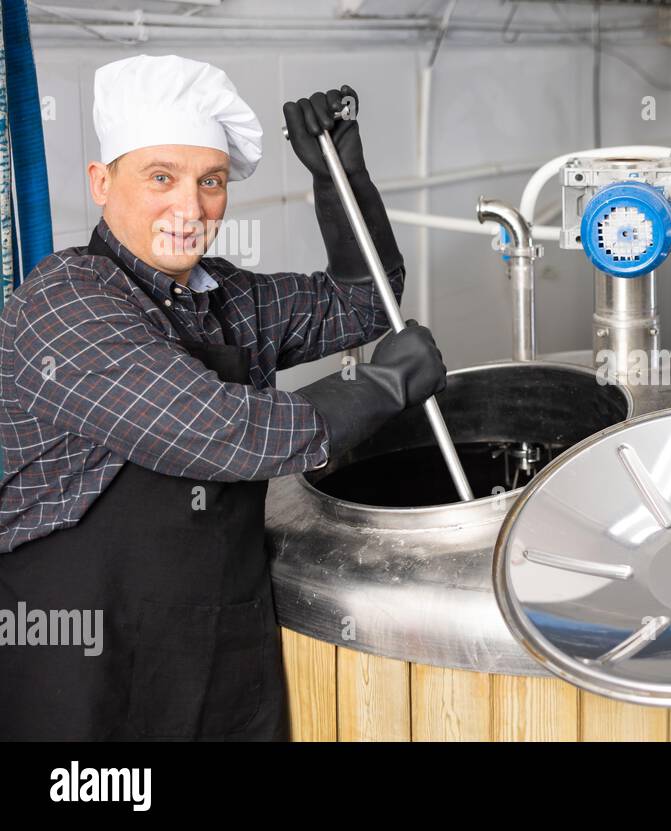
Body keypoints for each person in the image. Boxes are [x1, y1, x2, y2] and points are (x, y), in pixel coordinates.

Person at [0, 54, 445, 739]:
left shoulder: (226, 296)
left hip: (219, 657)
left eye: (210, 181)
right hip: (86, 669)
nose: (190, 207)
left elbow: (362, 304)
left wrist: (340, 179)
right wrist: (383, 386)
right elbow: (219, 431)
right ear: (101, 181)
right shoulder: (63, 304)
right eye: (161, 177)